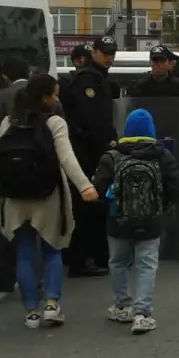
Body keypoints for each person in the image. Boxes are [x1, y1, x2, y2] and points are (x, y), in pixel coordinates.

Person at [0, 74, 99, 328]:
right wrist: (85, 187)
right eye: (54, 94)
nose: (57, 98)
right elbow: (67, 159)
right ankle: (51, 304)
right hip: (48, 195)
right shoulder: (55, 122)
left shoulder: (9, 122)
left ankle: (31, 311)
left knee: (25, 254)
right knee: (52, 249)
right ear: (45, 97)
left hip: (15, 198)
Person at [93, 108, 179, 333]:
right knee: (146, 265)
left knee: (119, 262)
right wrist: (162, 207)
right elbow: (174, 186)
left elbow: (99, 189)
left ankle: (123, 306)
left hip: (118, 221)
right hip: (151, 220)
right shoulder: (162, 155)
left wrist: (111, 207)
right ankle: (143, 314)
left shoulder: (111, 156)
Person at [60, 35, 119, 278]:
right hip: (88, 153)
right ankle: (81, 259)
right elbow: (92, 121)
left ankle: (91, 256)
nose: (109, 57)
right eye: (105, 52)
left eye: (112, 53)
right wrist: (108, 144)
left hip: (91, 152)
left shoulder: (98, 78)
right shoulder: (88, 79)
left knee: (92, 206)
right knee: (87, 206)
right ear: (93, 52)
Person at [0, 56, 33, 292]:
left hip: (8, 169)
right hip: (40, 168)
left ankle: (6, 277)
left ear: (5, 76)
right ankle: (36, 276)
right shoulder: (44, 95)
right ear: (29, 73)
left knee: (5, 224)